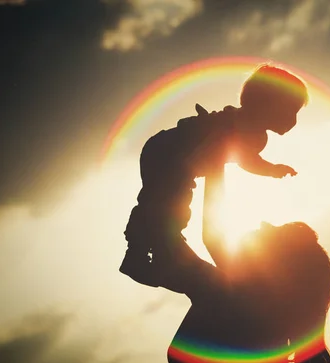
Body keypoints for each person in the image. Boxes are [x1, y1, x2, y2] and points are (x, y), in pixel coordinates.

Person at [122, 164, 330, 363]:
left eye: (275, 233)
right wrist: (216, 160)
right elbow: (196, 244)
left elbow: (171, 243)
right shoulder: (253, 311)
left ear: (276, 267)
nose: (264, 223)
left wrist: (214, 158)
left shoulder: (229, 299)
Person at [120, 64, 306, 287]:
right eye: (291, 110)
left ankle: (160, 250)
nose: (293, 120)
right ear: (265, 104)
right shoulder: (235, 123)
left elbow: (246, 161)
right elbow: (222, 150)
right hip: (165, 152)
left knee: (172, 207)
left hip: (183, 166)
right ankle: (138, 253)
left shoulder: (257, 138)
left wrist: (272, 169)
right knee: (160, 203)